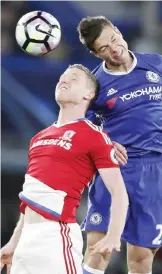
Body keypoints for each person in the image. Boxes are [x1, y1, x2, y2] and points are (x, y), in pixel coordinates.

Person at [0, 64, 129, 274]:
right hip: (25, 242)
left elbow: (119, 193)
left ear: (89, 94)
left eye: (74, 79)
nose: (64, 80)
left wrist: (114, 235)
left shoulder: (93, 135)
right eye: (63, 77)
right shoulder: (38, 138)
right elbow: (31, 199)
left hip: (56, 236)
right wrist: (14, 243)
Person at [77, 16, 162, 274]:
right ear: (94, 52)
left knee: (141, 257)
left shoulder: (156, 64)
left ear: (118, 31)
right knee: (97, 248)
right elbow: (82, 127)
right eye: (104, 48)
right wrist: (105, 142)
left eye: (114, 39)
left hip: (154, 169)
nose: (114, 49)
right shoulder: (94, 84)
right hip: (114, 167)